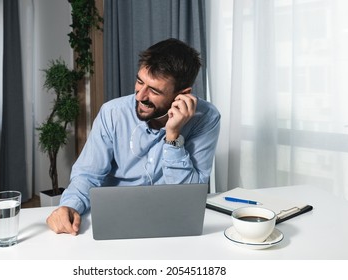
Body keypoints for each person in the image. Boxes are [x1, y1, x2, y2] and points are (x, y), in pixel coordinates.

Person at [46, 38, 221, 235]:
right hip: (115, 220)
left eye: (154, 91)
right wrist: (69, 206)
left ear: (182, 94)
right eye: (140, 81)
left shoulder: (206, 118)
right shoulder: (113, 113)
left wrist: (173, 137)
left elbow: (190, 198)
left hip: (171, 222)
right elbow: (88, 175)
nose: (139, 96)